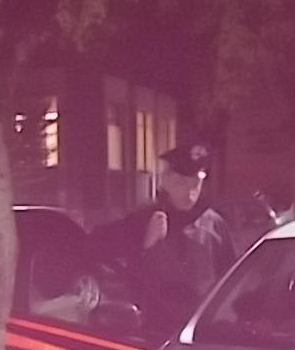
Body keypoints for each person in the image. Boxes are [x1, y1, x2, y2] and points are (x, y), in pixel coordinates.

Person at [94, 143, 234, 334]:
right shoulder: (142, 221)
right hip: (155, 327)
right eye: (181, 183)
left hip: (201, 328)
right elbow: (98, 250)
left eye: (196, 183)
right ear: (165, 181)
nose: (190, 191)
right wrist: (144, 244)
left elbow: (230, 280)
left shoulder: (215, 225)